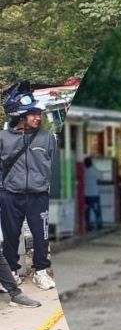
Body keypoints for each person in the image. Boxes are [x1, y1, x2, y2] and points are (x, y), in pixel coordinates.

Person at [0, 83, 57, 291]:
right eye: (33, 114)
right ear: (20, 116)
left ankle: (41, 272)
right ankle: (11, 274)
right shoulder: (3, 138)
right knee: (10, 237)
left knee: (41, 237)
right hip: (10, 196)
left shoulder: (47, 138)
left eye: (39, 114)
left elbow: (56, 165)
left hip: (38, 196)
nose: (37, 117)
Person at [83, 157, 103, 232]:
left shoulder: (84, 171)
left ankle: (88, 225)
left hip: (86, 195)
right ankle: (99, 224)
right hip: (94, 194)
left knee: (87, 211)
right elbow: (100, 180)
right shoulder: (95, 171)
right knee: (96, 210)